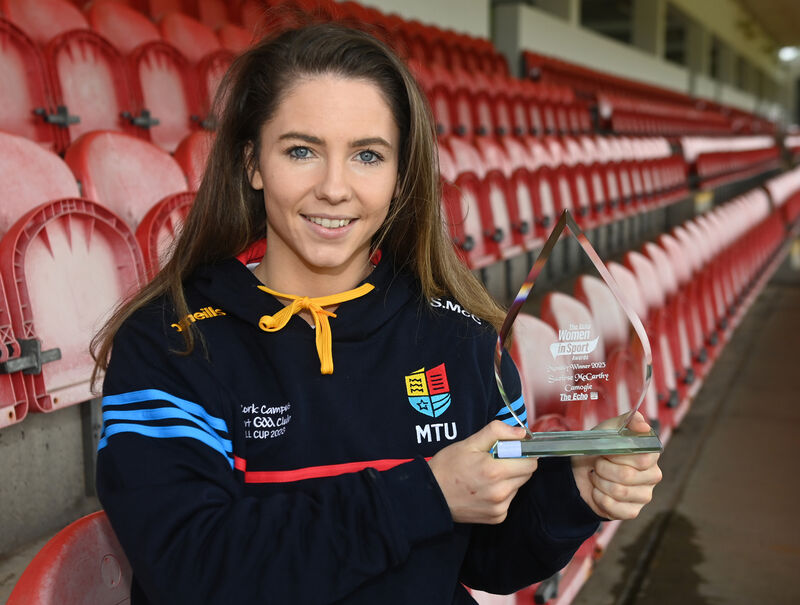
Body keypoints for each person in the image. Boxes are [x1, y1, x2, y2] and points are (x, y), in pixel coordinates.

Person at [92, 22, 662, 605]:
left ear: (399, 176)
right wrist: (424, 495)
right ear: (252, 163)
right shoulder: (172, 342)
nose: (334, 188)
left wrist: (574, 494)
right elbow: (193, 569)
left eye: (367, 155)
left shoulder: (460, 337)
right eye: (301, 151)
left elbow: (489, 558)